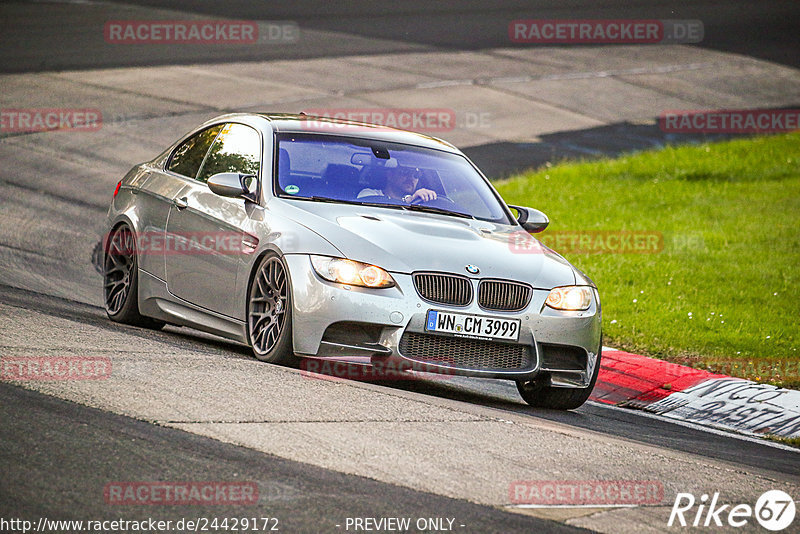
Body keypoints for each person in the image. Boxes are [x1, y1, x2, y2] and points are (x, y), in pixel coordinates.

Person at [357, 165, 437, 203]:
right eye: (405, 172)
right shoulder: (368, 194)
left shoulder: (419, 202)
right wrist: (410, 200)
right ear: (390, 175)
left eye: (416, 175)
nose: (411, 177)